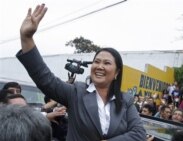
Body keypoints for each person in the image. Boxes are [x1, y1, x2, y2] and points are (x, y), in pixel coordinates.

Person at [17, 4, 146, 141]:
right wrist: (26, 38)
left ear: (116, 73)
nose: (100, 66)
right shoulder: (76, 92)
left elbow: (139, 133)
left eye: (107, 63)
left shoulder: (125, 100)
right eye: (96, 61)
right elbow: (45, 79)